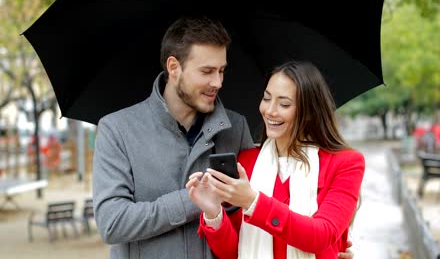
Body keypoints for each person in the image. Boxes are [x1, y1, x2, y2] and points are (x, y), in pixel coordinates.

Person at [93, 16, 355, 258]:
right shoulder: (118, 130)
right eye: (207, 71)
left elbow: (243, 231)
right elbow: (112, 223)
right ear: (174, 67)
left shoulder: (235, 127)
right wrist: (194, 200)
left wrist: (330, 248)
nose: (218, 82)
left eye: (222, 70)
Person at [186, 61, 365, 259]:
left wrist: (253, 201)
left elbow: (321, 236)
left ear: (310, 112)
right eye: (266, 98)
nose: (270, 111)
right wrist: (213, 213)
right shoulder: (247, 162)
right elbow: (233, 253)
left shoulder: (345, 163)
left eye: (284, 104)